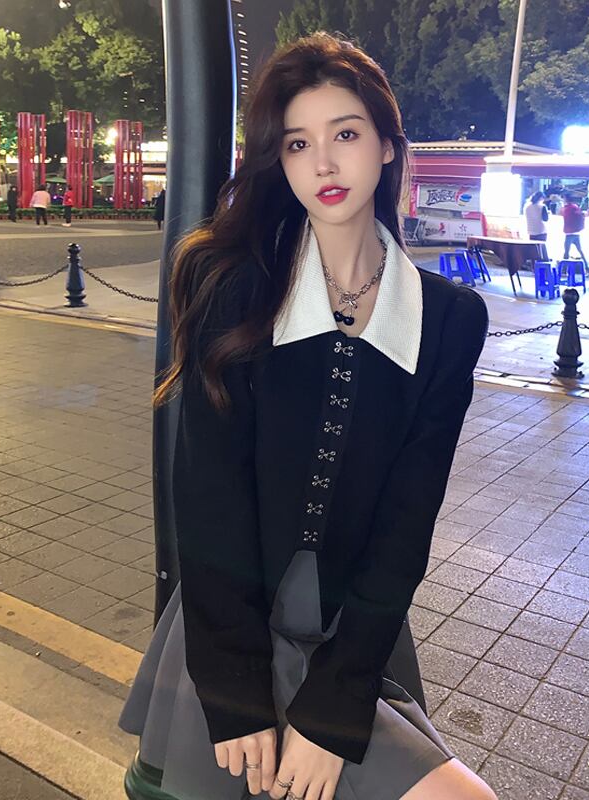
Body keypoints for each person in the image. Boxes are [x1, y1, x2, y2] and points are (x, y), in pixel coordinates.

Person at [118, 32, 495, 800]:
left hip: (350, 641)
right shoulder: (233, 288)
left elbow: (406, 524)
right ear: (279, 161)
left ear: (387, 146)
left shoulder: (448, 320)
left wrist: (334, 708)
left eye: (345, 135)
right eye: (297, 143)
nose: (323, 164)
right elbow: (208, 501)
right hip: (233, 631)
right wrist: (235, 692)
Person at [562, 193, 589, 276]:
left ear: (566, 199)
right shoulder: (575, 207)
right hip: (576, 233)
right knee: (581, 251)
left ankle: (564, 270)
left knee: (566, 253)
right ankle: (588, 269)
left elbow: (564, 216)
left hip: (569, 233)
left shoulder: (567, 208)